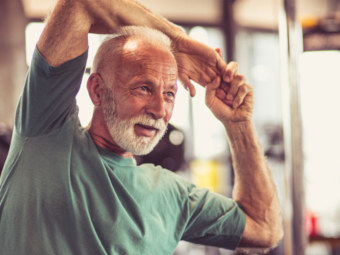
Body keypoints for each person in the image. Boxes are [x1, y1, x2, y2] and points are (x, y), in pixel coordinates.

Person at [0, 0, 283, 254]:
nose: (160, 111)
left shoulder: (173, 196)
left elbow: (265, 228)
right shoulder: (46, 135)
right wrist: (177, 41)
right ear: (98, 90)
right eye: (144, 88)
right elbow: (79, 5)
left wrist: (238, 123)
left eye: (170, 93)